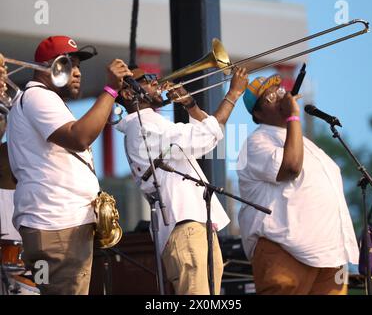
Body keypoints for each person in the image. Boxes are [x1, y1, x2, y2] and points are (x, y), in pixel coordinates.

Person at [6, 35, 132, 295]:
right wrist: (109, 90)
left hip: (57, 226)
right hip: (58, 227)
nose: (76, 73)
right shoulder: (38, 96)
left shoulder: (41, 99)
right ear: (45, 67)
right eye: (68, 64)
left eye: (78, 66)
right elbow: (79, 137)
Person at [115, 66, 248, 294]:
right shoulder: (142, 126)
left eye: (155, 77)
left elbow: (201, 141)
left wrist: (190, 105)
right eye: (148, 79)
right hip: (184, 227)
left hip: (194, 225)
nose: (157, 82)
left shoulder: (154, 124)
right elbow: (204, 137)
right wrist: (232, 95)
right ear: (128, 93)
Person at [237, 74, 359, 295]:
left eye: (280, 89)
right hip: (285, 250)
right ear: (257, 113)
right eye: (269, 96)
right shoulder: (256, 142)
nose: (280, 95)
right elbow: (291, 167)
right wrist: (294, 116)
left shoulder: (305, 143)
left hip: (330, 254)